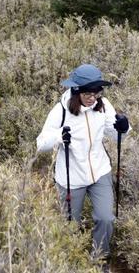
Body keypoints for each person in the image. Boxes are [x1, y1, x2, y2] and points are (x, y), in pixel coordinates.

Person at [36, 64, 130, 260]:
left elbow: (116, 134)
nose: (92, 98)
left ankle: (99, 259)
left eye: (96, 92)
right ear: (76, 91)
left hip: (99, 171)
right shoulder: (60, 111)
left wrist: (124, 127)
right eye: (87, 93)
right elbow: (41, 143)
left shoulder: (103, 105)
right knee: (69, 226)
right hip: (71, 178)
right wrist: (59, 136)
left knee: (105, 219)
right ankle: (70, 262)